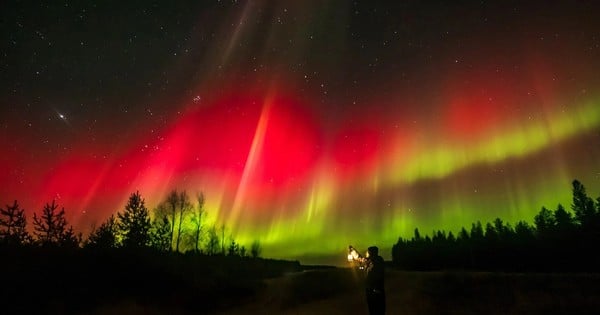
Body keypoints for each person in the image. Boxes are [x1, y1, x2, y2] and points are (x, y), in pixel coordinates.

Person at [365, 246, 385, 315]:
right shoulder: (372, 261)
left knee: (377, 309)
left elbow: (378, 276)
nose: (367, 254)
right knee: (372, 309)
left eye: (369, 252)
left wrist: (376, 289)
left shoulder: (377, 260)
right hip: (371, 290)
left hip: (376, 290)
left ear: (372, 253)